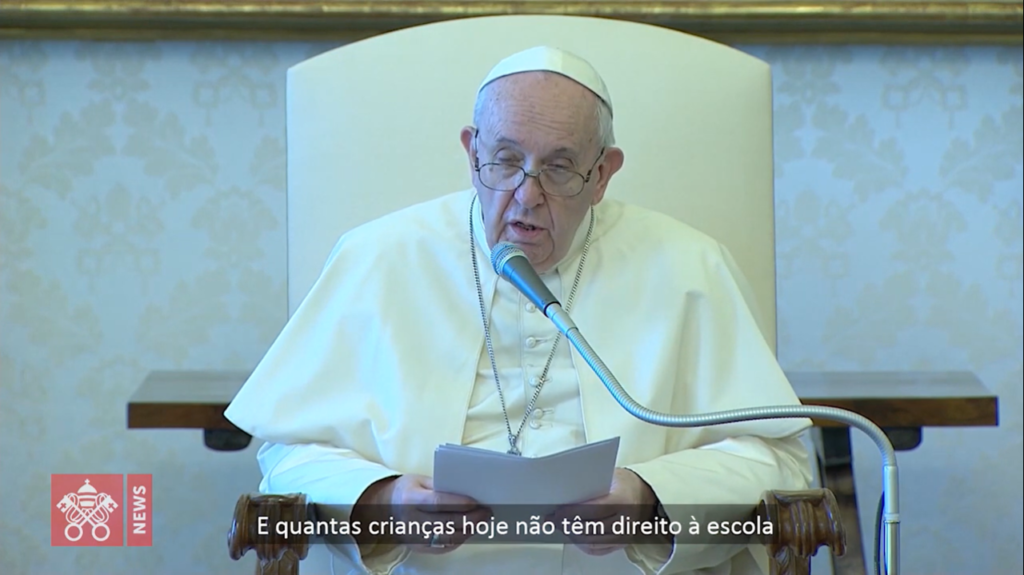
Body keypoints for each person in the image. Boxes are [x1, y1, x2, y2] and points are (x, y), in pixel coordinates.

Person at [224, 45, 813, 575]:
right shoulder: (378, 257)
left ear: (602, 174)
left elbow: (777, 460)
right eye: (505, 160)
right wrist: (384, 502)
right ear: (471, 151)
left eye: (559, 168)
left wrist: (651, 500)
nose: (527, 196)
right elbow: (288, 452)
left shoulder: (689, 265)